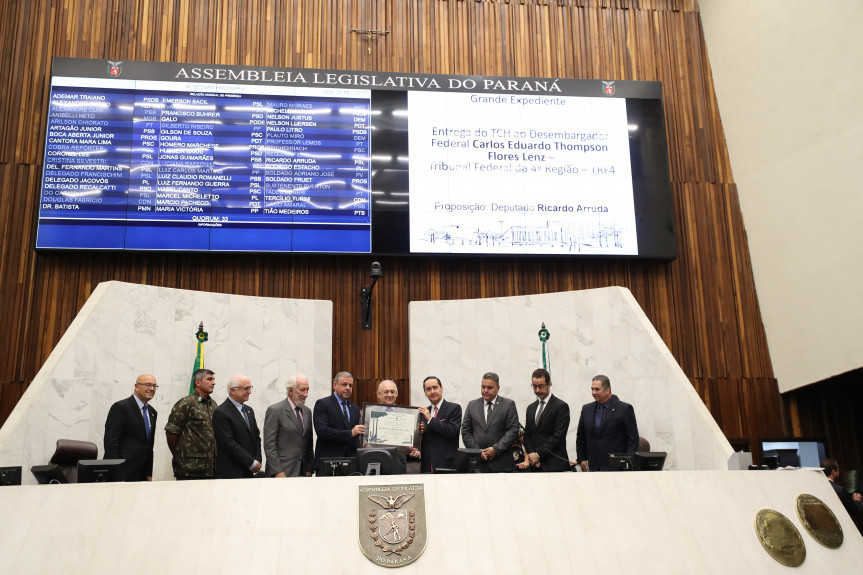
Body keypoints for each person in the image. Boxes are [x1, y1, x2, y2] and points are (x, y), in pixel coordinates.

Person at [575, 374, 638, 471]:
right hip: (594, 466)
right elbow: (581, 437)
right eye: (592, 389)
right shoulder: (586, 409)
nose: (593, 392)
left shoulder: (624, 409)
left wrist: (627, 461)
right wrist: (582, 458)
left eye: (597, 389)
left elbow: (633, 439)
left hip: (616, 466)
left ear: (607, 390)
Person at [103, 373, 159, 481]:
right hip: (122, 472)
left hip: (142, 474)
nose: (152, 389)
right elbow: (111, 443)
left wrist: (148, 473)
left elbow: (149, 447)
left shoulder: (152, 412)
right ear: (137, 387)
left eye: (154, 386)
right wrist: (114, 471)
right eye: (148, 385)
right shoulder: (121, 407)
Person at [165, 368, 218, 480]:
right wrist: (181, 456)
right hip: (190, 469)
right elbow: (171, 433)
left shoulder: (213, 405)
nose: (214, 383)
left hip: (211, 468)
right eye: (209, 379)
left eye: (213, 379)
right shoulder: (186, 403)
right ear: (198, 382)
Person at [461, 372, 520, 472]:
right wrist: (477, 452)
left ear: (498, 388)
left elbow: (513, 430)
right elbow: (465, 431)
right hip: (478, 465)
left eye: (489, 387)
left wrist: (496, 449)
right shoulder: (472, 405)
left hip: (502, 464)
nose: (485, 390)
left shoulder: (508, 405)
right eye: (483, 387)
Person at [313, 371, 365, 472]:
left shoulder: (354, 409)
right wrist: (350, 433)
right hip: (328, 464)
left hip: (350, 464)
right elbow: (322, 431)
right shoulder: (323, 404)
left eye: (350, 385)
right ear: (334, 385)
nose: (348, 388)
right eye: (344, 384)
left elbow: (356, 438)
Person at [263, 374, 314, 477]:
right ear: (291, 391)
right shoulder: (275, 410)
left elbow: (309, 443)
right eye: (302, 390)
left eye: (307, 390)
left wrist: (309, 468)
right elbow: (269, 445)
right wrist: (277, 471)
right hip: (282, 471)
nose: (306, 394)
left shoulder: (307, 411)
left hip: (303, 472)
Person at [213, 374, 262, 479]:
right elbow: (228, 444)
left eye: (250, 388)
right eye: (246, 388)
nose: (249, 391)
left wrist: (256, 461)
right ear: (232, 390)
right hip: (231, 473)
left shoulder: (249, 410)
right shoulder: (221, 412)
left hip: (249, 471)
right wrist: (251, 463)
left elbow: (256, 438)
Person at [523, 368, 571, 472]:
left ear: (549, 384)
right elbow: (527, 434)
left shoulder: (561, 406)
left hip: (554, 465)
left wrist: (538, 454)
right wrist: (531, 455)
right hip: (534, 465)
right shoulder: (530, 408)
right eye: (534, 386)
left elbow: (558, 436)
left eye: (540, 386)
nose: (537, 390)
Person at [370, 380, 420, 474]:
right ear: (378, 394)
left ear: (396, 393)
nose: (389, 395)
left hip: (399, 461)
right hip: (376, 461)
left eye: (392, 392)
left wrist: (414, 449)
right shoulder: (369, 412)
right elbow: (363, 439)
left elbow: (411, 440)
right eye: (386, 392)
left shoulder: (406, 413)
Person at [418, 376, 462, 473]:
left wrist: (430, 419)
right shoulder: (423, 413)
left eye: (435, 387)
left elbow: (452, 431)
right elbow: (422, 440)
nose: (432, 391)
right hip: (427, 465)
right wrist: (420, 434)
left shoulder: (454, 408)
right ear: (425, 393)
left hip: (446, 465)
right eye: (428, 389)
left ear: (441, 388)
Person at [822, 458, 863, 533]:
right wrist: (857, 500)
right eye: (838, 469)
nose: (839, 471)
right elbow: (856, 510)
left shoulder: (818, 488)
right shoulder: (840, 490)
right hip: (842, 529)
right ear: (833, 472)